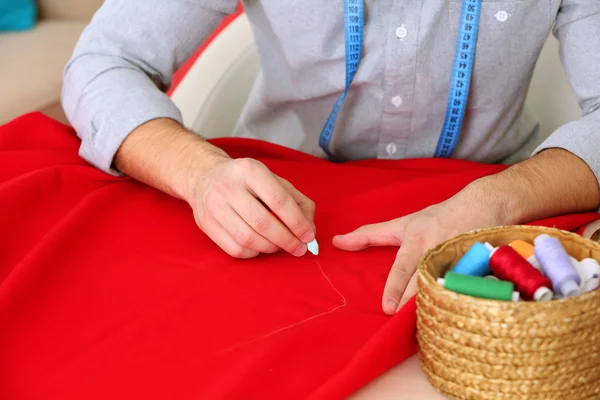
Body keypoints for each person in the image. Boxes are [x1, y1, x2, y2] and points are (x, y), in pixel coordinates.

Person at [62, 1, 600, 316]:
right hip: (277, 209)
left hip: (483, 219)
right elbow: (106, 61)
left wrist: (496, 196)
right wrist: (199, 174)